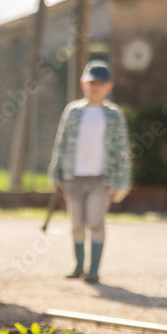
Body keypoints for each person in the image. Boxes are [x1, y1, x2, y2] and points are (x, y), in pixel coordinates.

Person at [49, 60, 131, 284]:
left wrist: (122, 181)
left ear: (108, 87)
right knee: (76, 223)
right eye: (91, 82)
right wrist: (55, 173)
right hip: (73, 177)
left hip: (101, 179)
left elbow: (122, 149)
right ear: (83, 83)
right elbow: (61, 142)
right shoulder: (72, 112)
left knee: (95, 221)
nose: (95, 88)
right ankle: (78, 266)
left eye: (100, 83)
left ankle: (93, 270)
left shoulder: (114, 115)